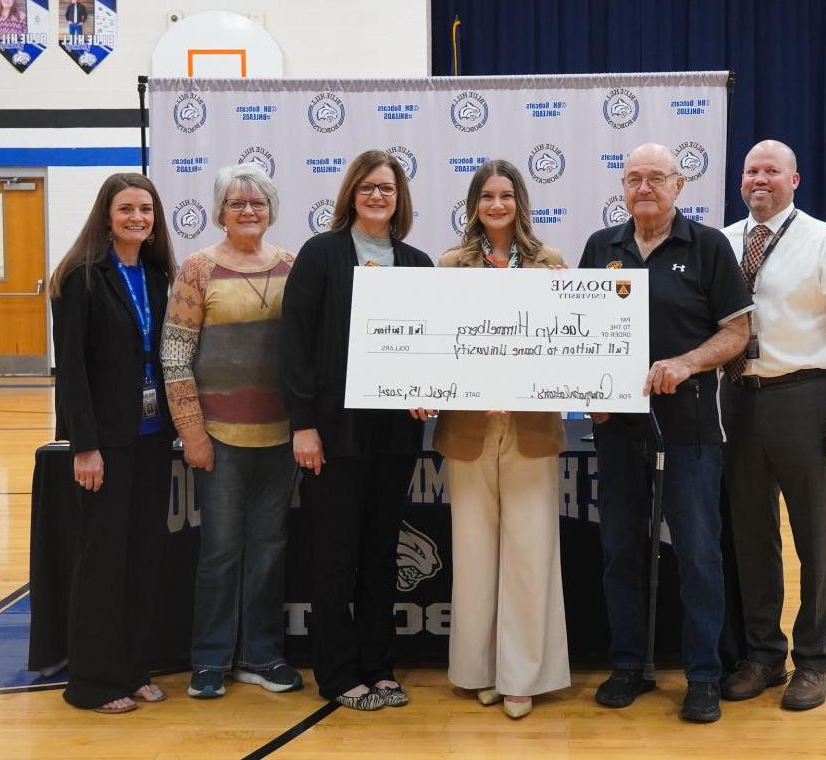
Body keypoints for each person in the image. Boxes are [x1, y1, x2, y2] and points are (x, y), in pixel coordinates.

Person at [580, 143, 752, 723]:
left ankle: (703, 675)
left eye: (656, 177)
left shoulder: (708, 247)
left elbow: (737, 334)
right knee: (619, 548)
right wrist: (588, 395)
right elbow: (577, 335)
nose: (644, 187)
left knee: (699, 552)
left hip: (693, 424)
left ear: (680, 185)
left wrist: (686, 363)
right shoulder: (601, 247)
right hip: (617, 426)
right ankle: (629, 665)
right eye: (633, 178)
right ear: (622, 188)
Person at [719, 140, 826, 711]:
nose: (760, 179)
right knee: (751, 537)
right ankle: (763, 655)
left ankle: (813, 660)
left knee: (814, 536)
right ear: (741, 182)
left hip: (805, 398)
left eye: (771, 171)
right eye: (751, 171)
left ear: (794, 179)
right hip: (737, 398)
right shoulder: (725, 241)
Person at [279, 150, 433, 711]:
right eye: (366, 187)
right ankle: (340, 674)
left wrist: (427, 391)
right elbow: (293, 348)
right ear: (350, 194)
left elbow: (429, 345)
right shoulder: (321, 256)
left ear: (400, 198)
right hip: (334, 433)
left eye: (386, 189)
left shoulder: (417, 263)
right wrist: (304, 426)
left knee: (379, 552)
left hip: (394, 436)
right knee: (335, 556)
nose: (376, 197)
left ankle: (378, 664)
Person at [432, 159, 570, 720]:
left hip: (531, 426)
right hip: (467, 428)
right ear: (473, 204)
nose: (496, 205)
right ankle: (480, 670)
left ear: (521, 203)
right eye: (486, 196)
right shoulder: (449, 265)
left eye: (505, 196)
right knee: (472, 553)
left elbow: (570, 342)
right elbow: (434, 344)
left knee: (530, 553)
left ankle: (522, 678)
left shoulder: (549, 263)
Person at [160, 165, 303, 700]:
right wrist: (191, 431)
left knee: (269, 548)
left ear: (271, 211)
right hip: (219, 437)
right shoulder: (197, 269)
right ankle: (210, 660)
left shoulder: (293, 266)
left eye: (258, 203)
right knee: (220, 552)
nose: (248, 211)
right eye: (237, 203)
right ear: (219, 210)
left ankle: (261, 657)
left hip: (282, 437)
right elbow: (175, 356)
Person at [50, 173, 177, 714]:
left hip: (150, 439)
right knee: (101, 562)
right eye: (126, 209)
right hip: (105, 443)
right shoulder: (80, 277)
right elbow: (72, 369)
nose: (137, 219)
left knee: (142, 558)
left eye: (146, 210)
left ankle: (132, 668)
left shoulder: (154, 274)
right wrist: (84, 445)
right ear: (106, 215)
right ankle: (93, 683)